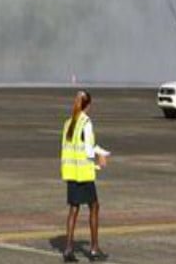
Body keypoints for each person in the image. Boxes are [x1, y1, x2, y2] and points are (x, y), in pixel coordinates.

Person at [61, 90, 110, 262]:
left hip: (71, 172)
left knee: (74, 209)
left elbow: (75, 148)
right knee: (94, 206)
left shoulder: (68, 123)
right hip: (83, 174)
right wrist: (100, 159)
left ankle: (68, 249)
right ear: (87, 105)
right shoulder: (86, 123)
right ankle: (94, 248)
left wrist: (99, 152)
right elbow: (89, 149)